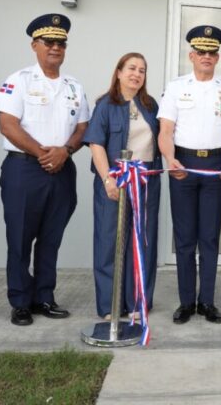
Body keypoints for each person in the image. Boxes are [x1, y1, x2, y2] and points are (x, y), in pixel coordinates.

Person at [0, 13, 90, 326]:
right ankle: (20, 302)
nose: (55, 47)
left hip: (62, 170)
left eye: (61, 42)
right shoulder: (18, 80)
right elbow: (8, 126)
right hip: (25, 170)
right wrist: (42, 154)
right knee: (20, 238)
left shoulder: (74, 86)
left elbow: (82, 127)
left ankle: (44, 297)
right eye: (48, 42)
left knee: (51, 239)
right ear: (34, 45)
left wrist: (66, 151)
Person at [157, 25, 221, 325]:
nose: (207, 57)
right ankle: (185, 303)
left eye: (212, 52)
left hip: (215, 166)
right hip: (183, 164)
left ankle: (207, 301)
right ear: (191, 55)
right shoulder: (175, 87)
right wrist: (170, 159)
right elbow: (165, 131)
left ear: (217, 57)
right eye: (202, 52)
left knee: (209, 237)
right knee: (184, 238)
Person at [83, 52, 161, 320]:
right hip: (115, 182)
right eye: (131, 68)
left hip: (146, 181)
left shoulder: (150, 106)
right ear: (118, 72)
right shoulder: (105, 105)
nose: (136, 74)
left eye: (142, 70)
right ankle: (109, 306)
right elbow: (96, 144)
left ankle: (138, 302)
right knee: (109, 242)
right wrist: (108, 179)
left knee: (142, 241)